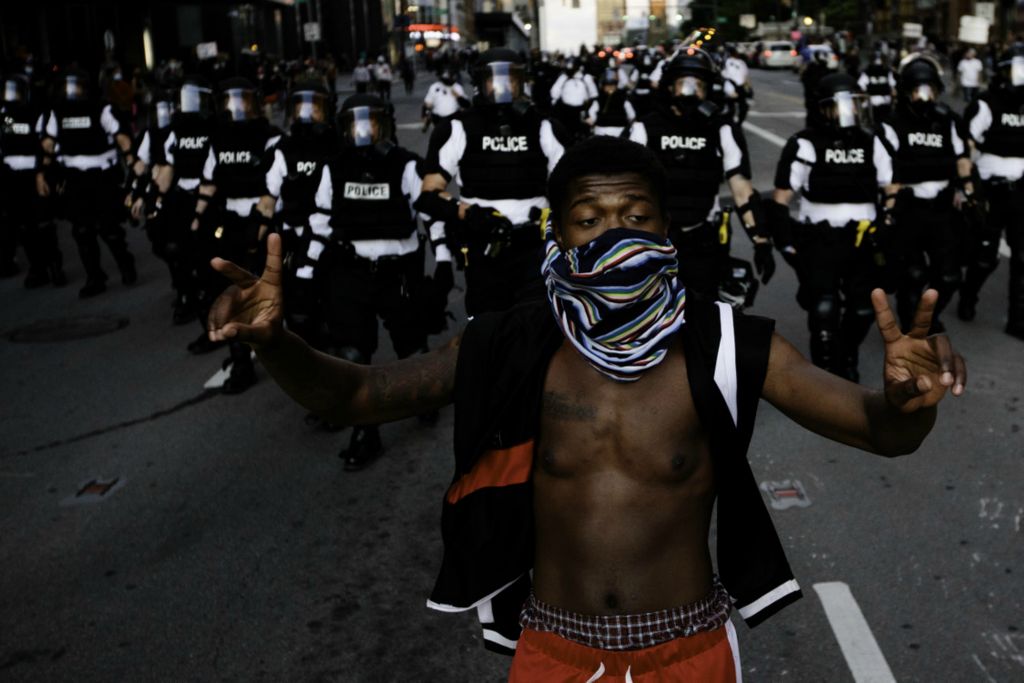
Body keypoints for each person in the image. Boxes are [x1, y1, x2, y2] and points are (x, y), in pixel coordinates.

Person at [207, 135, 967, 681]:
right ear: (557, 231)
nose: (615, 235)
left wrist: (911, 400)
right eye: (590, 219)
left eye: (637, 216)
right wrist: (276, 343)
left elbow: (879, 431)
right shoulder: (508, 343)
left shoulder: (727, 341)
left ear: (667, 230)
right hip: (554, 647)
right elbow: (357, 397)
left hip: (689, 650)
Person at [304, 94, 451, 469]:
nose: (364, 132)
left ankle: (421, 397)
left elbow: (432, 214)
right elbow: (320, 221)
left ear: (384, 126)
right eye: (356, 124)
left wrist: (445, 261)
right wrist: (305, 272)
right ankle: (365, 430)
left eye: (371, 124)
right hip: (350, 270)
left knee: (412, 347)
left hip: (397, 271)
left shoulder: (405, 165)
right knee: (352, 355)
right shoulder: (333, 167)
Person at [417, 47, 568, 317]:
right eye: (494, 80)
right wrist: (467, 213)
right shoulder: (457, 128)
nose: (502, 86)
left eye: (510, 79)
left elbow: (572, 188)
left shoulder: (545, 127)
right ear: (480, 84)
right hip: (483, 244)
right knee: (487, 330)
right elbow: (429, 195)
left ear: (521, 82)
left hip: (536, 245)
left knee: (537, 329)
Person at [767, 73, 892, 381]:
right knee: (823, 308)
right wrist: (784, 242)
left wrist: (888, 223)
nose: (849, 112)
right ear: (823, 109)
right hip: (819, 237)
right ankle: (825, 374)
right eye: (841, 106)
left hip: (863, 236)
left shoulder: (873, 140)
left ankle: (847, 354)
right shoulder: (805, 143)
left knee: (863, 310)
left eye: (854, 105)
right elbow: (781, 197)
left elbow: (893, 187)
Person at [628, 47, 775, 304]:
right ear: (669, 87)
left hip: (703, 239)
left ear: (709, 90)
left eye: (698, 86)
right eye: (683, 84)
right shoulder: (644, 128)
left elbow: (742, 191)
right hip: (652, 240)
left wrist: (761, 240)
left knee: (702, 318)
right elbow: (622, 189)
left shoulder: (722, 129)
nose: (690, 91)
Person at [191, 77, 282, 393]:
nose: (237, 108)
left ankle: (283, 350)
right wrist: (197, 219)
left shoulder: (271, 139)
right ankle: (241, 360)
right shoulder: (218, 140)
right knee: (229, 291)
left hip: (263, 222)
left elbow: (276, 187)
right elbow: (208, 182)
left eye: (243, 101)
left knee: (269, 291)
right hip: (229, 220)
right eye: (231, 101)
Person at [877, 55, 973, 333]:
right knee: (913, 274)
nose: (924, 97)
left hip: (941, 209)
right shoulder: (891, 123)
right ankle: (910, 324)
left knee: (950, 275)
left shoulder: (948, 121)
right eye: (918, 90)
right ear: (906, 91)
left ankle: (927, 315)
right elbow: (889, 175)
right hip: (908, 209)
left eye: (929, 89)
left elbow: (962, 159)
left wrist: (969, 194)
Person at [39, 67, 136, 298]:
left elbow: (122, 137)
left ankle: (125, 263)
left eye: (75, 86)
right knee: (82, 230)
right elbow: (48, 144)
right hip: (74, 176)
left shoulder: (101, 109)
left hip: (102, 175)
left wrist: (133, 168)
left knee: (109, 228)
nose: (70, 91)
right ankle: (95, 277)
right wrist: (42, 174)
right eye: (66, 86)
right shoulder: (57, 111)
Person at [259, 79, 338, 347]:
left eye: (314, 108)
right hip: (294, 236)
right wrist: (255, 234)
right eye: (301, 108)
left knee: (337, 306)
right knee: (299, 309)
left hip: (333, 238)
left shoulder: (338, 146)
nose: (307, 114)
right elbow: (269, 197)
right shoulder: (283, 150)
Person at [959, 42, 1024, 339]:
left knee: (1022, 258)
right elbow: (965, 143)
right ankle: (968, 296)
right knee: (985, 256)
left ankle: (1017, 320)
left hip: (1021, 190)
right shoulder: (986, 103)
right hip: (992, 189)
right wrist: (968, 185)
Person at [154, 76, 217, 326]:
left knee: (206, 253)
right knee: (172, 247)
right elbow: (167, 168)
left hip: (209, 196)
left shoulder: (214, 129)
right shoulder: (175, 132)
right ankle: (186, 294)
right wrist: (155, 200)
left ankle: (210, 299)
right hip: (181, 195)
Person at [1, 72, 65, 287]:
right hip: (11, 175)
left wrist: (42, 174)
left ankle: (55, 265)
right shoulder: (3, 113)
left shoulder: (38, 112)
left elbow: (47, 145)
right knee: (23, 225)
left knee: (42, 222)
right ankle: (37, 268)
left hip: (35, 173)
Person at [549, 58, 597, 143]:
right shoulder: (563, 77)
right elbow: (554, 92)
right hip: (566, 111)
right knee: (567, 134)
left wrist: (591, 112)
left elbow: (594, 95)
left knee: (583, 134)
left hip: (582, 110)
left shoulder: (585, 77)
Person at [585, 68, 636, 137]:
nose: (610, 88)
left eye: (612, 85)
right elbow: (632, 116)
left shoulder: (599, 99)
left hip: (607, 131)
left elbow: (591, 118)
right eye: (608, 86)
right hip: (615, 131)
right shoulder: (623, 99)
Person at [857, 50, 897, 122]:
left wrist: (893, 97)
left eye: (880, 59)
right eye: (876, 59)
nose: (878, 62)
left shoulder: (887, 72)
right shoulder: (867, 72)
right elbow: (861, 86)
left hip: (885, 102)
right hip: (871, 103)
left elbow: (893, 87)